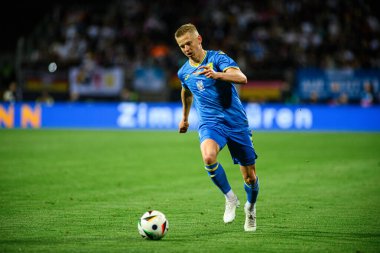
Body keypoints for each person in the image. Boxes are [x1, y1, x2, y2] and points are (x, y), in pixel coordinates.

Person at [174, 23, 259, 232]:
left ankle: (250, 208)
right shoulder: (184, 72)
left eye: (189, 44)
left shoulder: (218, 58)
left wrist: (218, 75)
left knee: (250, 177)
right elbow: (186, 92)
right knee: (209, 157)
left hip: (236, 123)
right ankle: (230, 198)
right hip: (211, 123)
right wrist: (184, 117)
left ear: (199, 39)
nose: (186, 49)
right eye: (182, 46)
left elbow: (242, 78)